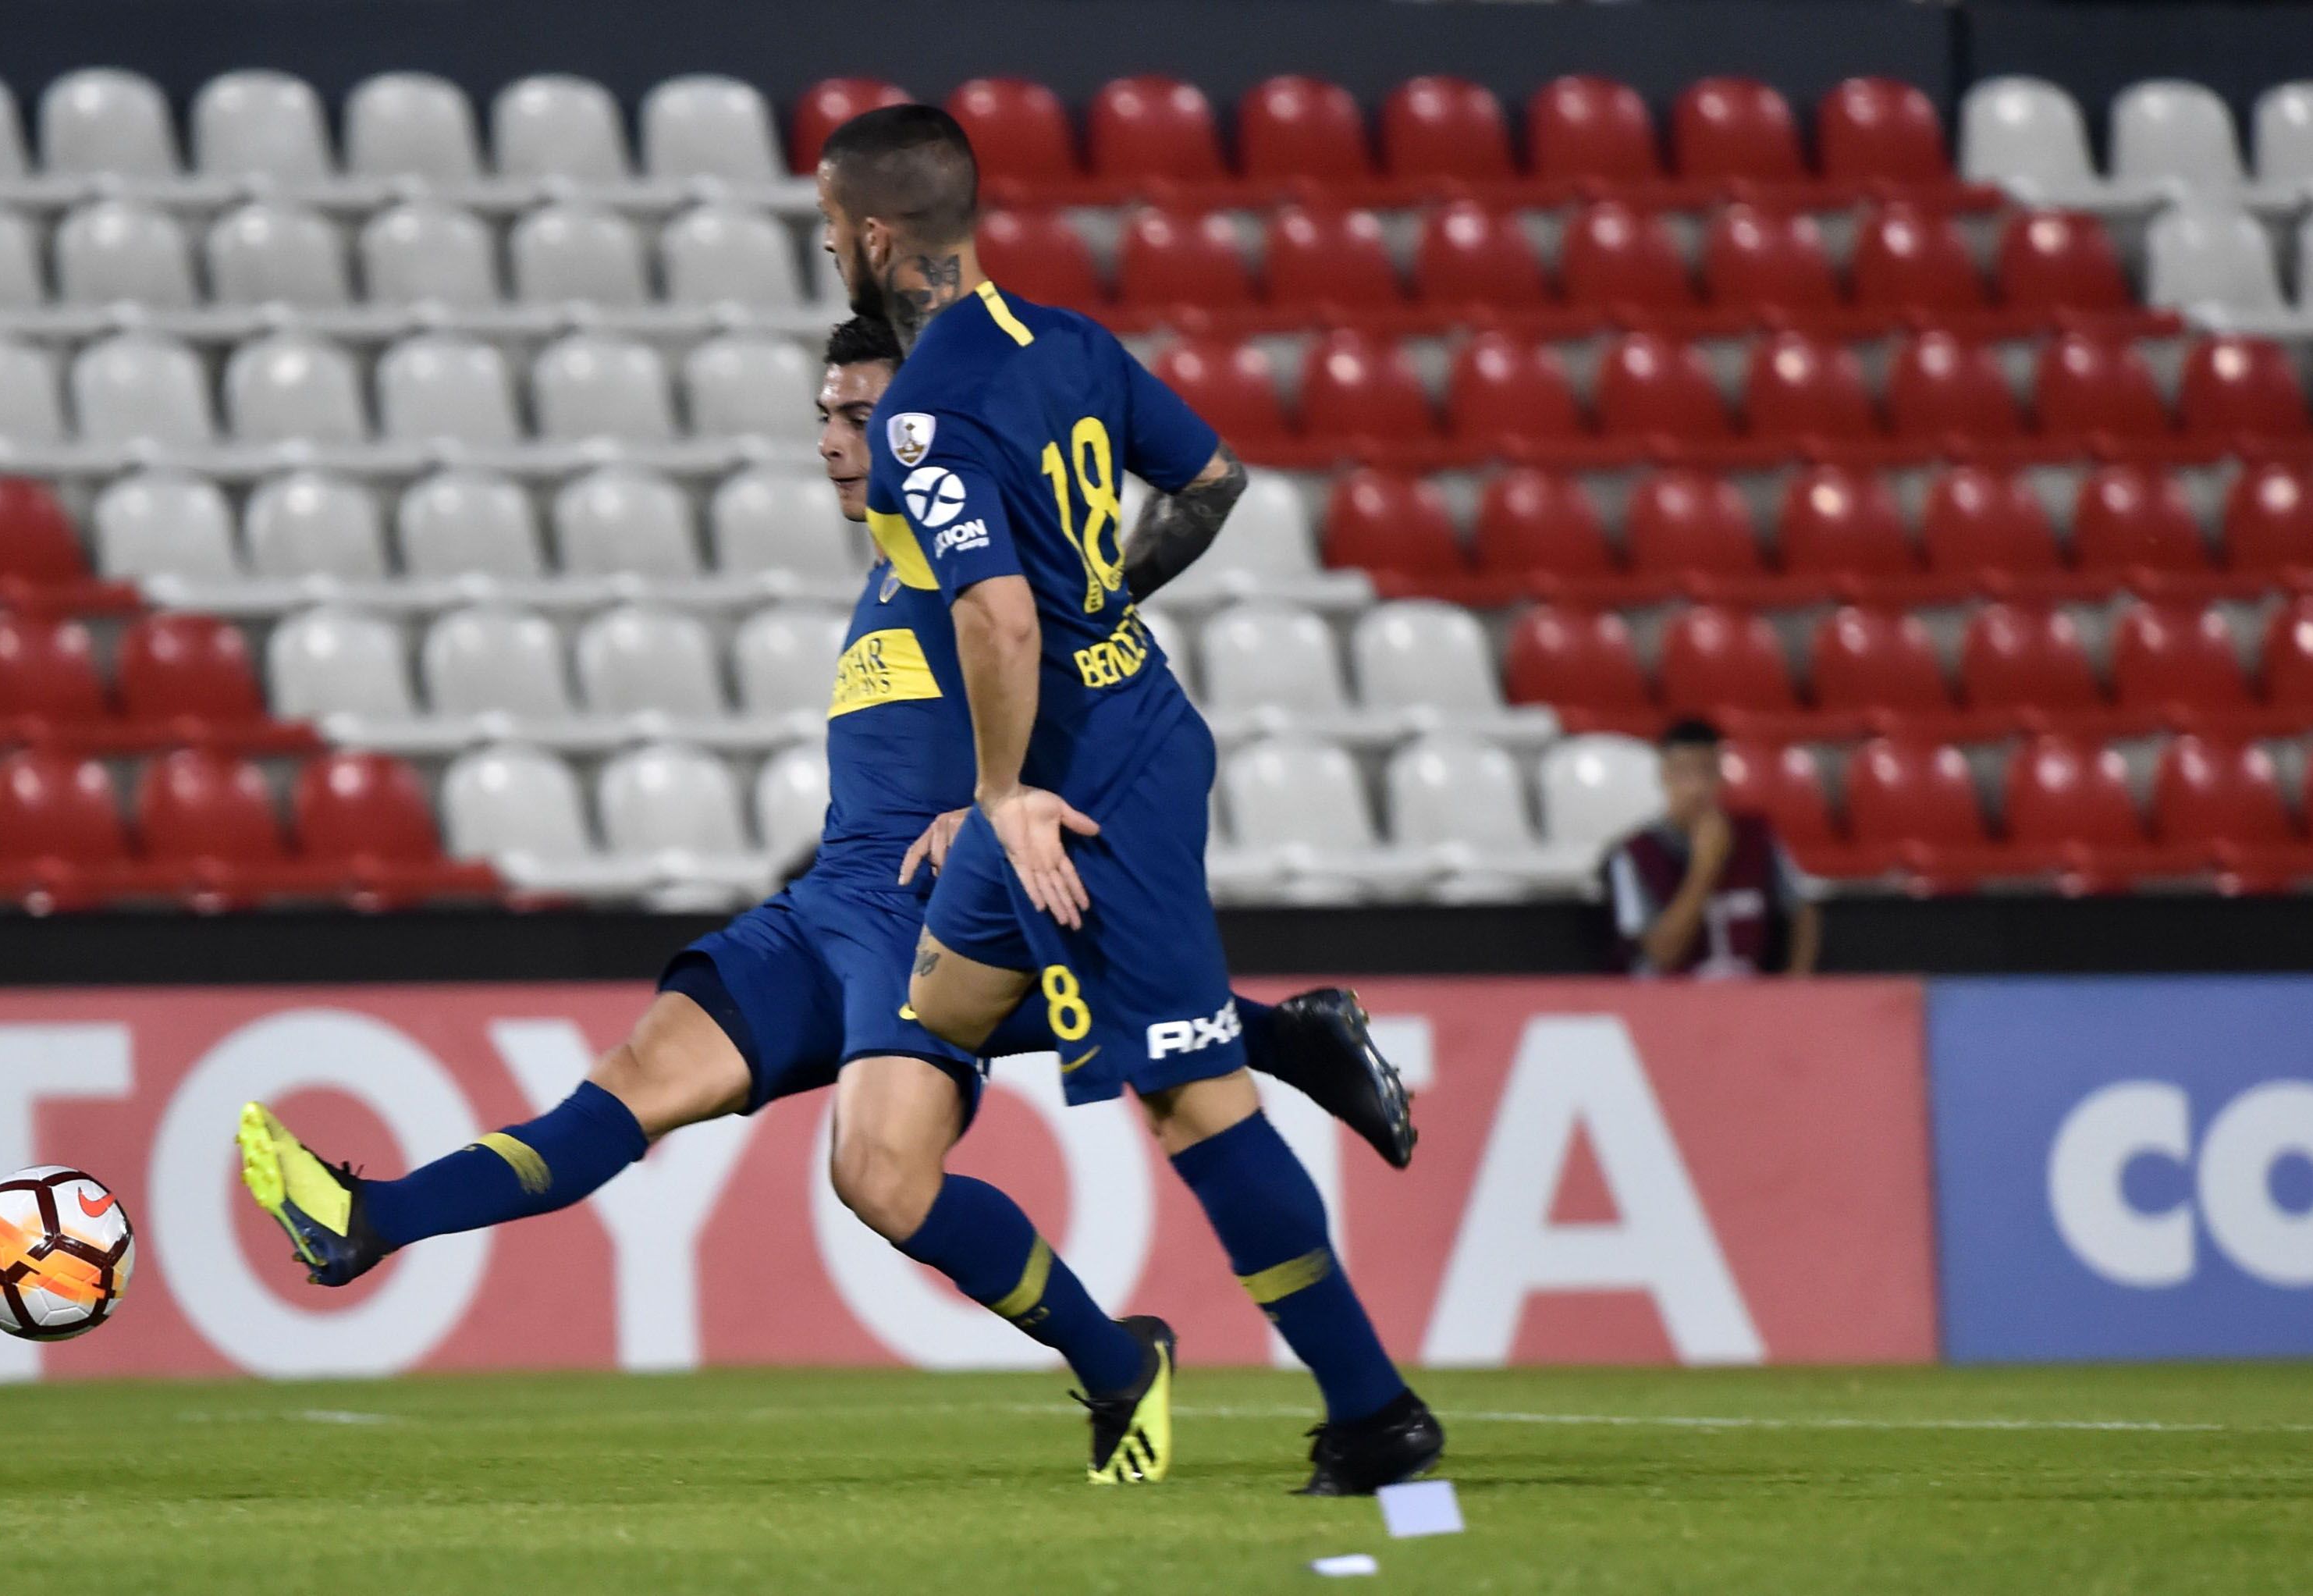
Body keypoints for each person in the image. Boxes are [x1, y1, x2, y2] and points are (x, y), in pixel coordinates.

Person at [236, 315, 1418, 1488]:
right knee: (624, 1092)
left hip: (916, 919)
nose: (834, 444)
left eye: (859, 418)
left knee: (879, 1180)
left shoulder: (994, 580)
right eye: (825, 419)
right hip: (817, 912)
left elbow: (1077, 704)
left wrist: (993, 802)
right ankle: (371, 1217)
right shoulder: (895, 574)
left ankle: (1131, 1339)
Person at [819, 105, 1443, 1497]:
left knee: (1183, 1099)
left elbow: (995, 617)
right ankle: (1289, 1037)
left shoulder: (929, 404)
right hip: (1091, 732)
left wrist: (999, 790)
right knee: (931, 1047)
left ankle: (1375, 1415)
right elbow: (1213, 482)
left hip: (1098, 783)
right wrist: (1108, 605)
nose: (827, 255)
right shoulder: (1073, 345)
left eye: (826, 234)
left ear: (872, 236)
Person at [1603, 719, 1821, 978]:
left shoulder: (1756, 835)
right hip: (1671, 1002)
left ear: (1721, 774)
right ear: (1664, 776)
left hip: (1748, 997)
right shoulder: (1635, 854)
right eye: (1684, 773)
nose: (1697, 787)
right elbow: (1661, 954)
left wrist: (1797, 977)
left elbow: (1802, 912)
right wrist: (1705, 867)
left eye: (1707, 771)